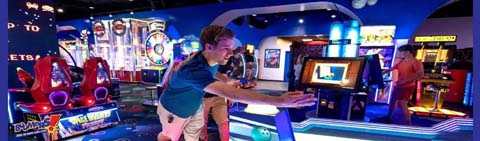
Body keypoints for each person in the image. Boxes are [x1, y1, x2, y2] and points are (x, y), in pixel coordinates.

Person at [157, 25, 316, 141]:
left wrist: (224, 79)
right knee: (169, 137)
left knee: (194, 136)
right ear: (209, 46)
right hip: (173, 110)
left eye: (231, 47)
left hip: (193, 106)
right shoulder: (192, 69)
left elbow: (213, 72)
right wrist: (278, 100)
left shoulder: (210, 57)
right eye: (226, 47)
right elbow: (228, 92)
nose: (231, 53)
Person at [200, 45, 243, 141]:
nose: (230, 54)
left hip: (218, 96)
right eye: (226, 49)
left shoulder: (226, 61)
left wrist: (229, 96)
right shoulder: (205, 60)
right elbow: (220, 77)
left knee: (222, 121)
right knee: (203, 122)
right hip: (205, 97)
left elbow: (225, 79)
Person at [383, 44, 424, 125]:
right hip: (398, 85)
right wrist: (382, 72)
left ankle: (408, 122)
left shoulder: (416, 62)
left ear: (408, 52)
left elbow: (420, 75)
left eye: (401, 52)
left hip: (407, 86)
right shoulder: (402, 61)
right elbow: (392, 68)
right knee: (393, 101)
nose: (400, 54)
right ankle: (388, 117)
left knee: (402, 104)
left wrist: (405, 80)